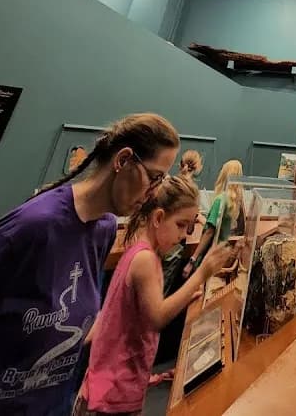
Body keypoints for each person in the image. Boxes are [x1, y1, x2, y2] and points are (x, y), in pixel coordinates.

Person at [0, 113, 180, 416]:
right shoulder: (32, 226)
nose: (154, 192)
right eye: (154, 177)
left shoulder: (103, 229)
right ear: (123, 160)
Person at [74, 176, 233, 415]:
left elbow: (135, 314)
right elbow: (156, 317)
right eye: (180, 225)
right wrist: (202, 273)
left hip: (113, 383)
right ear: (158, 218)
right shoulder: (146, 259)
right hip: (114, 392)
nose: (183, 235)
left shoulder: (143, 252)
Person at [183, 159, 244, 278]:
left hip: (209, 254)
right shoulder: (237, 201)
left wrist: (192, 259)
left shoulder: (220, 199)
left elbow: (210, 232)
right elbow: (221, 227)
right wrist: (203, 219)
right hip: (222, 253)